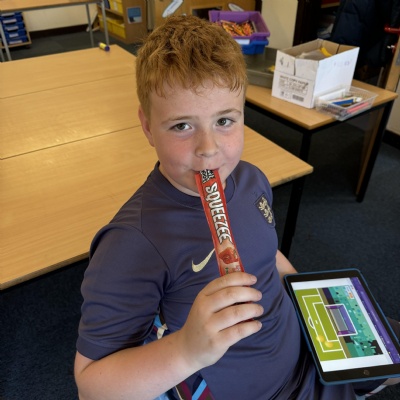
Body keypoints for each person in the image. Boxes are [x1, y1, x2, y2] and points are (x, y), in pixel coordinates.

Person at [74, 15, 400, 400]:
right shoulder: (133, 242)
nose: (208, 148)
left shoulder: (250, 179)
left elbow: (266, 252)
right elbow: (91, 385)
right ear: (147, 127)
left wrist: (309, 297)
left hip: (310, 344)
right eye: (181, 126)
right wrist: (186, 350)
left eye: (225, 120)